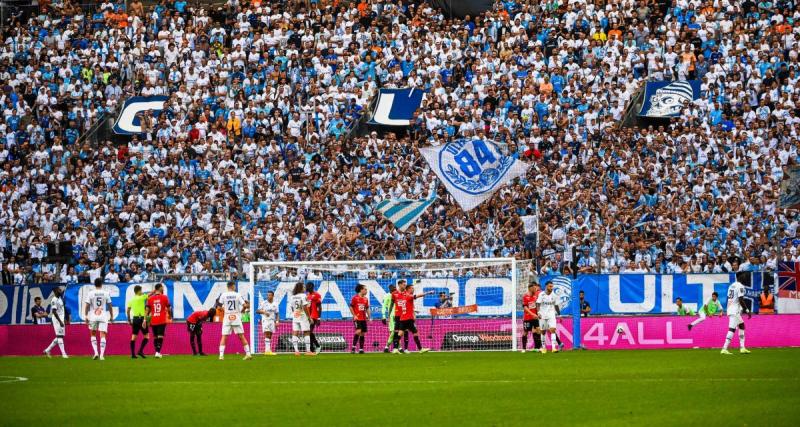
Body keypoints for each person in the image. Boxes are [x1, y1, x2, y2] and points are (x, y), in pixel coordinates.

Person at [218, 281, 252, 360]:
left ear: (227, 287)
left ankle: (221, 355)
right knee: (241, 336)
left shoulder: (223, 295)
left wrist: (224, 309)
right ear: (233, 286)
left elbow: (219, 307)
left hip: (227, 316)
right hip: (236, 316)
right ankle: (248, 354)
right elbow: (245, 306)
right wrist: (243, 310)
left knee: (224, 336)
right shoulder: (237, 295)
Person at [395, 284, 433, 354]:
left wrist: (413, 311)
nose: (413, 289)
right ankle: (420, 349)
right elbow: (418, 296)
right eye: (412, 288)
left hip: (403, 318)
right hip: (408, 319)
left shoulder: (403, 295)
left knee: (400, 333)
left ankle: (395, 349)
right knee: (415, 333)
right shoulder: (408, 296)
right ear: (408, 289)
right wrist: (428, 293)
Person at [84, 278, 113, 360]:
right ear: (101, 284)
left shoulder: (90, 293)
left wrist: (86, 316)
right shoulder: (106, 293)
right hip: (103, 316)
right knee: (103, 335)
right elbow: (110, 305)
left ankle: (96, 352)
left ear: (94, 284)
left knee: (93, 334)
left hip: (93, 316)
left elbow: (87, 305)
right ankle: (101, 355)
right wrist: (111, 316)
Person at [721, 275, 751, 355]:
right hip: (734, 310)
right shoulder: (740, 286)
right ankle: (724, 348)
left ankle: (742, 348)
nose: (745, 278)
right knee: (732, 329)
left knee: (741, 325)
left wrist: (728, 308)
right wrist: (747, 310)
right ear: (740, 278)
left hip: (731, 309)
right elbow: (741, 300)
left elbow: (728, 298)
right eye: (744, 277)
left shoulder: (731, 285)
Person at [146, 283, 171, 358]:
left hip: (153, 320)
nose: (163, 288)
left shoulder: (150, 299)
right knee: (160, 336)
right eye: (162, 287)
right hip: (161, 320)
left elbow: (147, 310)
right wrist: (170, 315)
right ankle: (157, 352)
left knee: (155, 337)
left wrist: (145, 320)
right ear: (159, 288)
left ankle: (156, 352)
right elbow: (169, 308)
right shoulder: (164, 297)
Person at [289, 282, 314, 356]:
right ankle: (308, 351)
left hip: (296, 315)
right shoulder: (303, 296)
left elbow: (292, 307)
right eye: (303, 287)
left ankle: (296, 351)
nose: (305, 288)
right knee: (306, 332)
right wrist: (309, 317)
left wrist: (296, 313)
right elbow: (305, 307)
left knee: (295, 332)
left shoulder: (292, 297)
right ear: (300, 288)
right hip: (303, 316)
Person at [126, 285, 150, 358]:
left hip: (135, 319)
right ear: (139, 291)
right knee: (147, 336)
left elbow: (128, 310)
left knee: (133, 337)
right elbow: (150, 294)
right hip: (142, 319)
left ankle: (133, 354)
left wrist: (129, 320)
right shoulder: (142, 297)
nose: (142, 292)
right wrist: (154, 291)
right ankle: (140, 351)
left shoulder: (131, 300)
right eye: (141, 290)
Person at [43, 287, 68, 358]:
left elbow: (62, 309)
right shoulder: (54, 300)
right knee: (59, 336)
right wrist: (60, 321)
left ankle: (47, 350)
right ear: (55, 291)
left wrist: (64, 318)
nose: (60, 291)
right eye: (59, 290)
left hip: (61, 319)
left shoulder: (60, 299)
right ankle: (64, 354)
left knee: (61, 336)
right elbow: (54, 311)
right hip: (57, 320)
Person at [537, 281, 560, 353]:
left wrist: (559, 314)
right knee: (543, 332)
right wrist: (538, 312)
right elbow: (538, 304)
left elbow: (556, 305)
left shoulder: (554, 295)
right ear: (546, 286)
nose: (551, 288)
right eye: (550, 286)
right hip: (542, 315)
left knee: (553, 330)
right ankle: (544, 348)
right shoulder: (541, 294)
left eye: (552, 286)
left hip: (551, 314)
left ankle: (554, 348)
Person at [521, 283, 542, 353]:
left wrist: (538, 313)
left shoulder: (536, 296)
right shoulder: (525, 296)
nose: (535, 289)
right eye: (534, 288)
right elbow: (525, 307)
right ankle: (524, 348)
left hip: (535, 317)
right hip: (527, 317)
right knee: (525, 332)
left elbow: (536, 306)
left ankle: (537, 347)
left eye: (536, 288)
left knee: (538, 330)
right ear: (530, 288)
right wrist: (532, 314)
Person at [256, 291, 279, 355]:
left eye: (270, 295)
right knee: (267, 333)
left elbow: (277, 314)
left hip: (272, 320)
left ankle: (268, 350)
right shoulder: (263, 303)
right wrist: (264, 312)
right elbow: (257, 311)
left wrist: (277, 322)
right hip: (265, 320)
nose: (268, 296)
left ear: (273, 296)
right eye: (268, 295)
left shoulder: (275, 304)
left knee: (270, 335)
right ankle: (267, 351)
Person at [350, 284, 370, 354]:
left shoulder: (365, 299)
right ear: (361, 290)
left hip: (363, 318)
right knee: (358, 331)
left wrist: (369, 316)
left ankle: (361, 349)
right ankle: (353, 347)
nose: (366, 291)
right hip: (357, 318)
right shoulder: (355, 298)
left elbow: (367, 308)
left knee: (362, 333)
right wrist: (354, 315)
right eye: (365, 289)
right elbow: (351, 307)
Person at [306, 282, 322, 353]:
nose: (307, 288)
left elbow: (319, 307)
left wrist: (319, 318)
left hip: (314, 316)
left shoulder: (317, 295)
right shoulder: (307, 295)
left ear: (311, 287)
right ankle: (312, 348)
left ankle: (317, 346)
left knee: (309, 331)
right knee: (308, 332)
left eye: (308, 287)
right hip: (308, 316)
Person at [381, 284, 397, 353]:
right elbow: (384, 306)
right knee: (393, 332)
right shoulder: (387, 296)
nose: (394, 290)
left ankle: (396, 348)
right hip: (392, 316)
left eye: (395, 289)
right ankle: (387, 347)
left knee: (397, 332)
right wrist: (384, 316)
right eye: (393, 289)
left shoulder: (397, 295)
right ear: (390, 290)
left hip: (399, 315)